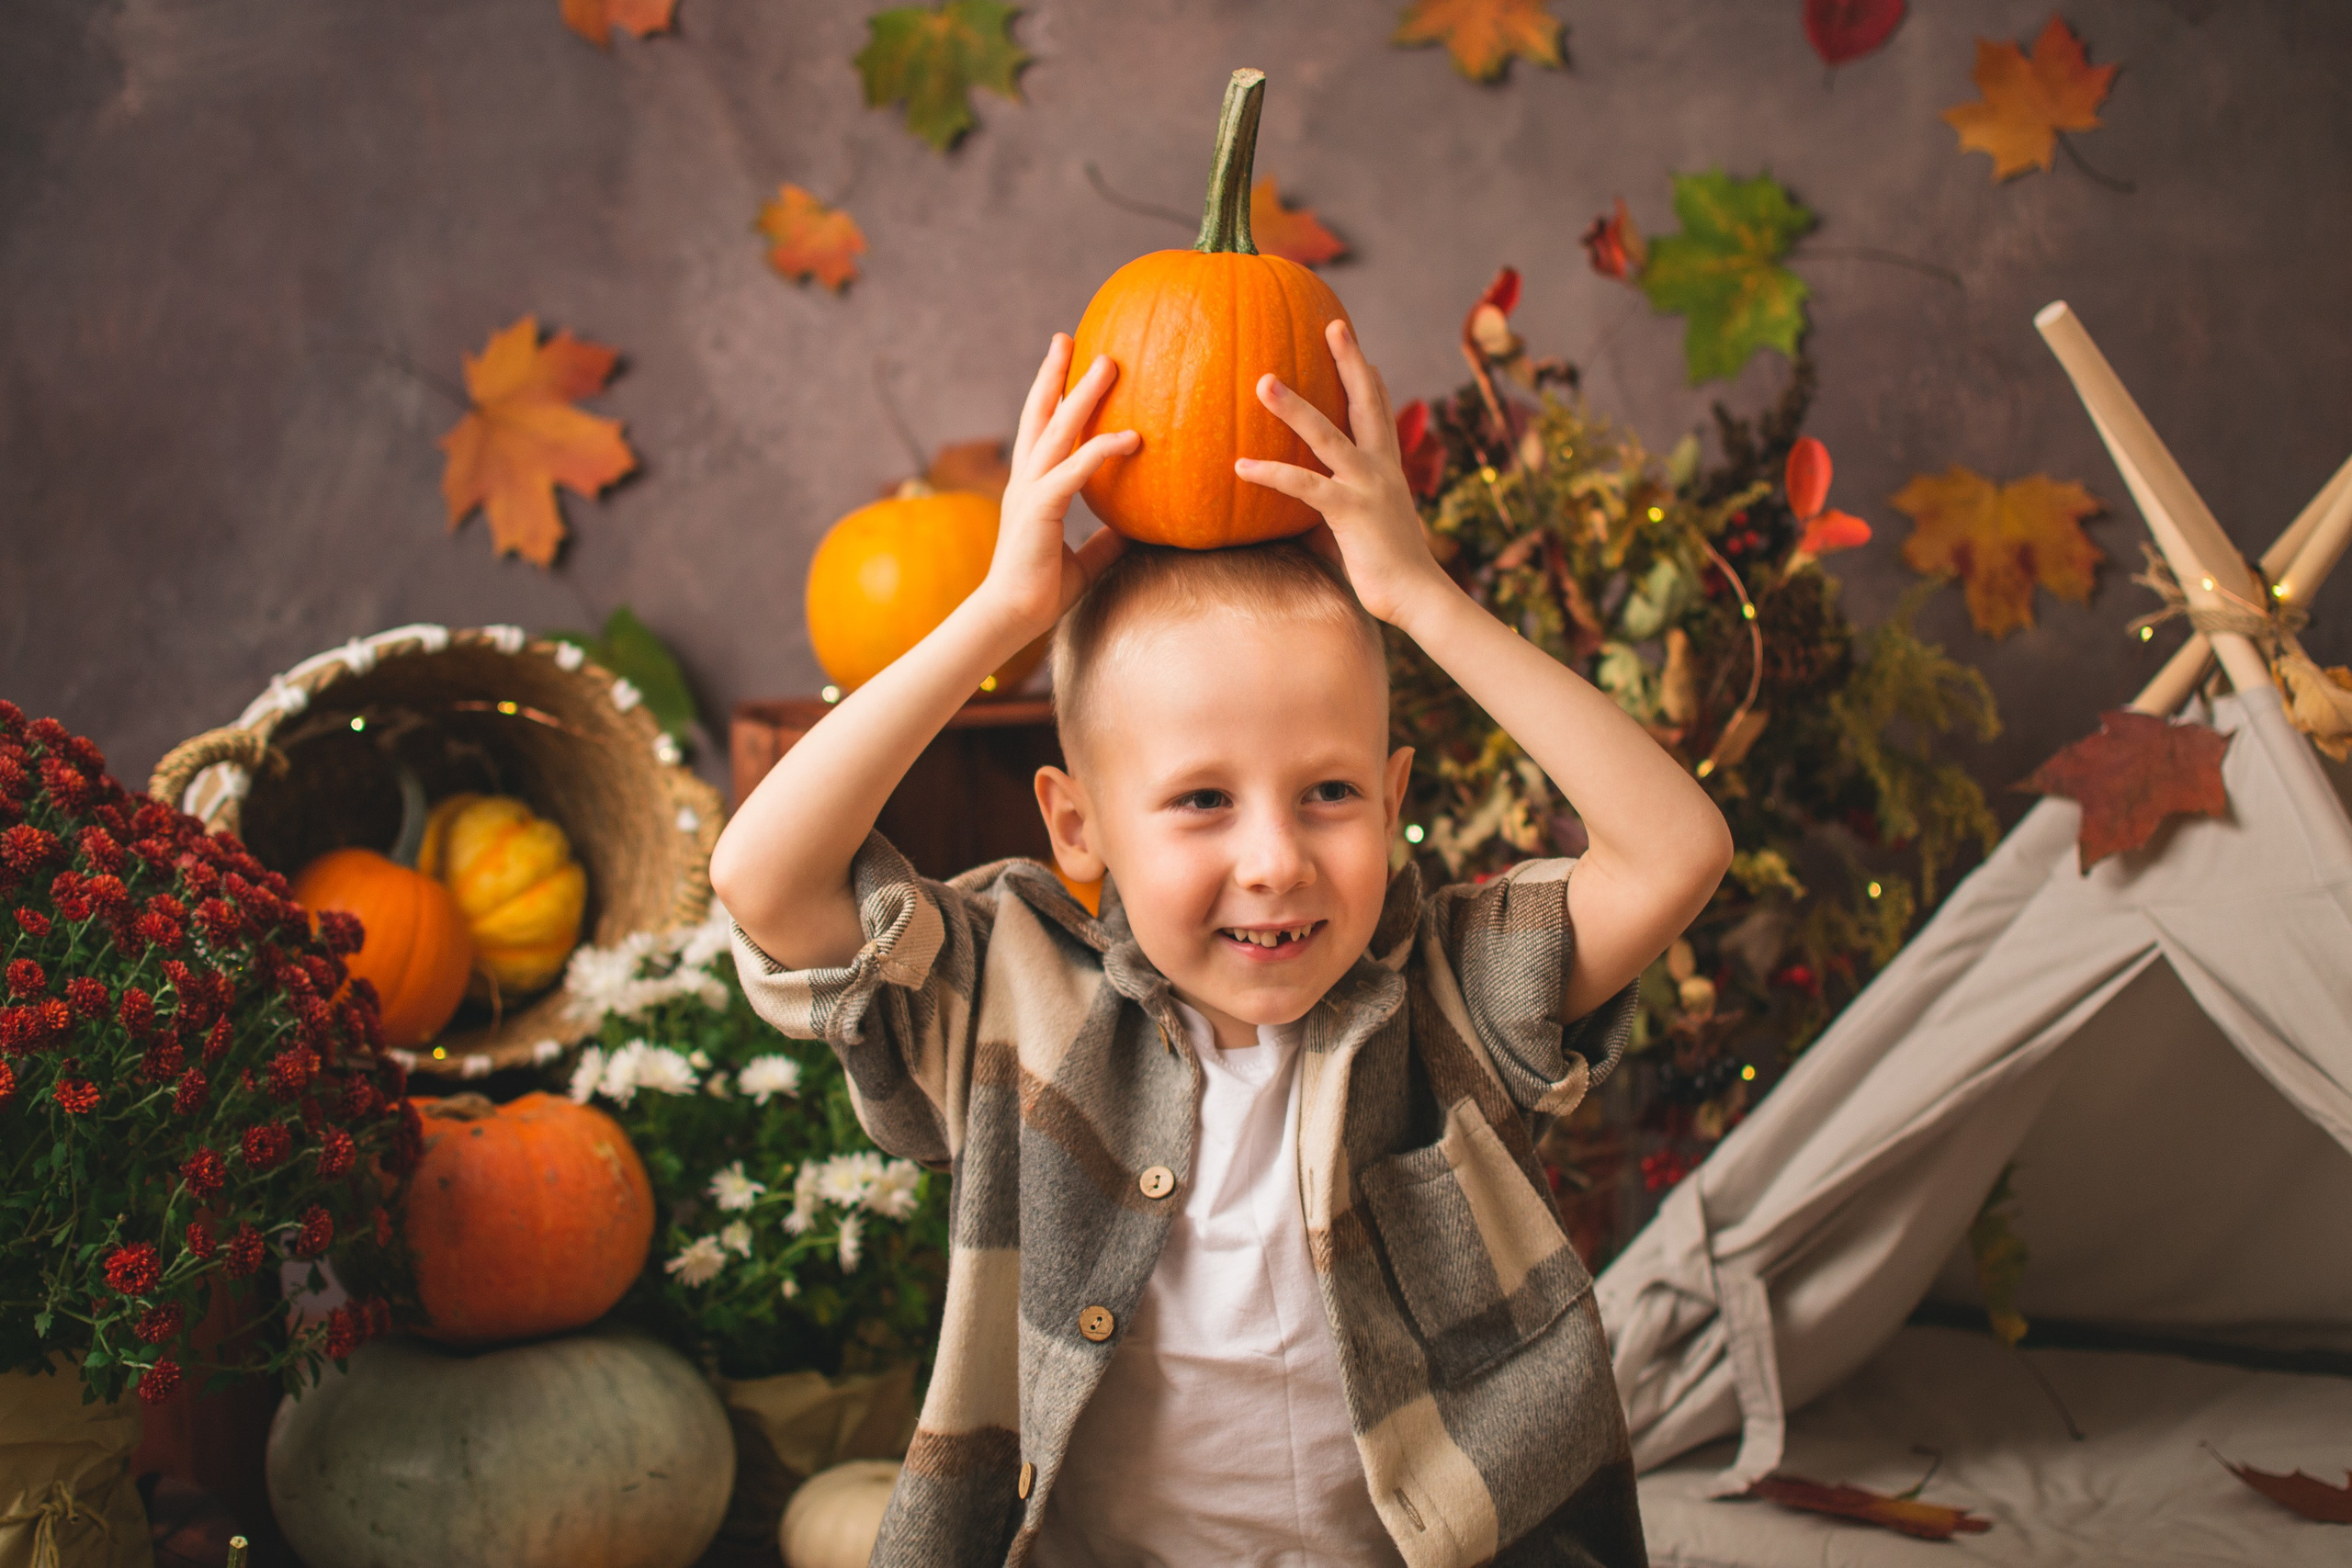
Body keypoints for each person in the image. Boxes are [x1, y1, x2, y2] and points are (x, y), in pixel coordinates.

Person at [713, 321, 1731, 1567]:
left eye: (1331, 793)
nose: (1277, 859)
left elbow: (1676, 850)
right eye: (1203, 800)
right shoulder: (1017, 1007)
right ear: (1075, 826)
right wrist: (997, 619)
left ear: (1393, 786)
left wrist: (1422, 599)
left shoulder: (1447, 999)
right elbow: (762, 881)